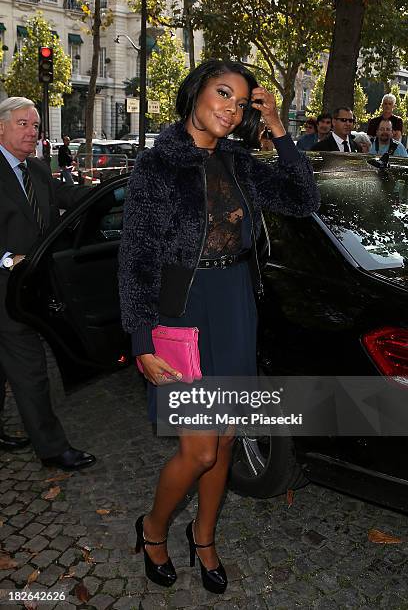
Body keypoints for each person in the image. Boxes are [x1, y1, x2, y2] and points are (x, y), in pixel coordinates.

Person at [118, 59, 320, 594]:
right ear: (195, 92)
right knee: (199, 450)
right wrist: (141, 339)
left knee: (225, 441)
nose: (230, 108)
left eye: (241, 101)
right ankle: (154, 528)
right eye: (222, 93)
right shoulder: (158, 165)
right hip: (182, 313)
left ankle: (204, 537)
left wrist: (278, 129)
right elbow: (136, 258)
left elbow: (304, 199)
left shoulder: (240, 161)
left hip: (234, 304)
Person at [0, 96, 96, 470]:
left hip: (31, 290)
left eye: (36, 125)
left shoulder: (37, 170)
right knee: (31, 373)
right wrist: (7, 259)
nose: (31, 131)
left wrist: (121, 190)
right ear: (2, 127)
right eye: (23, 123)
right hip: (5, 293)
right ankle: (52, 448)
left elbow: (71, 198)